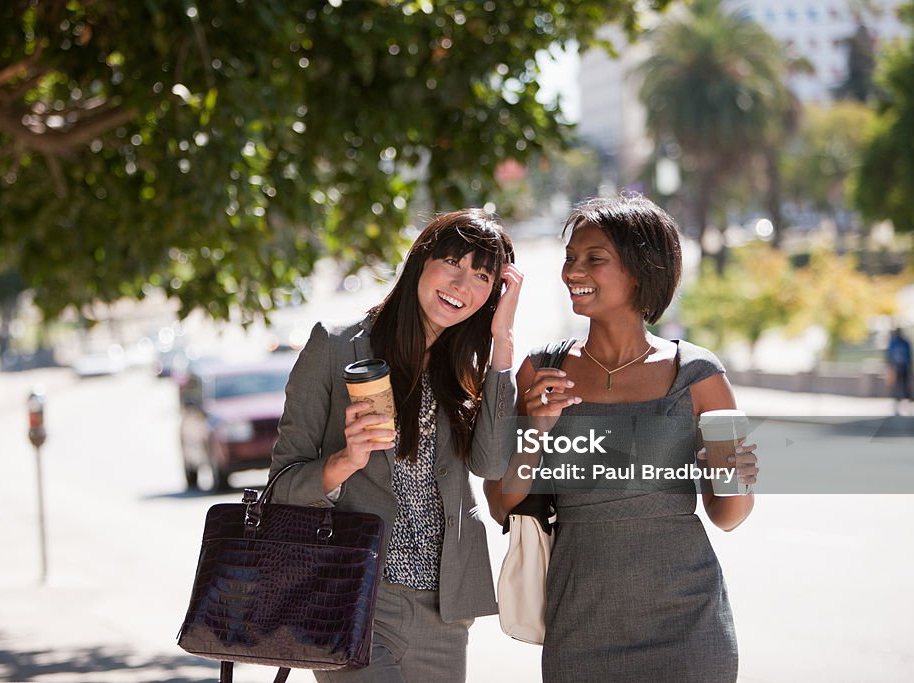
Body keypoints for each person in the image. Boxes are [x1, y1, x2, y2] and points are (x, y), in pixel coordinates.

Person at [485, 194, 759, 683]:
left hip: (689, 626)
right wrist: (533, 433)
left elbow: (728, 516)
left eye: (594, 259)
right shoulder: (540, 369)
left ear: (639, 270)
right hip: (581, 626)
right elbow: (502, 505)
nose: (573, 272)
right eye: (571, 259)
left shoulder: (698, 375)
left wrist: (733, 479)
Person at [269, 208, 523, 682]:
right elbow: (281, 488)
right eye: (452, 263)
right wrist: (344, 461)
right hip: (352, 598)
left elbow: (492, 463)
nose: (461, 285)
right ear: (420, 261)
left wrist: (501, 344)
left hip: (442, 610)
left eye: (482, 276)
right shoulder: (336, 346)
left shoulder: (463, 370)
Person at [886, 327, 912, 416]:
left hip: (904, 368)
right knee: (896, 388)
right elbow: (889, 356)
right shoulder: (893, 343)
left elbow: (908, 356)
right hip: (895, 369)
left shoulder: (905, 343)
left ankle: (906, 406)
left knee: (905, 388)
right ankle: (896, 406)